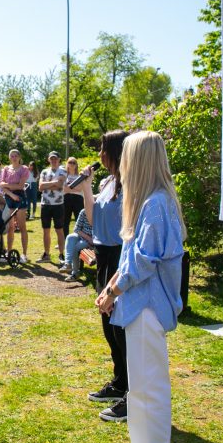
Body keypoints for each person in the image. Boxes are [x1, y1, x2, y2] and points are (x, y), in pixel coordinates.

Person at [86, 131, 185, 443]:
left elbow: (143, 261)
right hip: (138, 304)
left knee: (149, 386)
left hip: (148, 306)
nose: (120, 164)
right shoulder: (149, 201)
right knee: (139, 386)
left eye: (126, 156)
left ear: (138, 160)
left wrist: (111, 289)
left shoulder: (156, 203)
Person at [79, 129, 130, 422]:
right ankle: (119, 381)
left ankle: (131, 392)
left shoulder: (132, 186)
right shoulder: (108, 182)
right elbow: (94, 216)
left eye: (102, 147)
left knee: (120, 326)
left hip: (120, 256)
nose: (98, 153)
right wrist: (86, 187)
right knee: (107, 324)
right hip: (103, 254)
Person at [0, 149, 30, 263]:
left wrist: (7, 186)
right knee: (10, 227)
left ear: (19, 157)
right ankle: (9, 251)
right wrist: (11, 193)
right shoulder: (6, 169)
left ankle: (24, 254)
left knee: (22, 227)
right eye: (11, 156)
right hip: (9, 197)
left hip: (20, 198)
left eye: (16, 156)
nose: (14, 158)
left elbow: (20, 186)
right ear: (9, 158)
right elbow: (2, 186)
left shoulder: (24, 169)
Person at [37, 151, 67, 263]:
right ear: (49, 160)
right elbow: (40, 187)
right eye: (51, 158)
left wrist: (47, 185)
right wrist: (54, 184)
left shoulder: (63, 170)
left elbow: (60, 186)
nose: (53, 160)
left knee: (59, 230)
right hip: (45, 204)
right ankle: (46, 254)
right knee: (46, 230)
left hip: (58, 205)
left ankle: (61, 254)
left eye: (55, 158)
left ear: (59, 159)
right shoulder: (44, 171)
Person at [61, 208, 94, 282]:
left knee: (75, 248)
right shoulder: (84, 211)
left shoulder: (100, 213)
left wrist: (90, 240)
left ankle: (75, 273)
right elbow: (76, 229)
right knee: (70, 237)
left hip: (93, 240)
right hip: (84, 237)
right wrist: (88, 238)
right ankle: (67, 264)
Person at [63, 157, 86, 229]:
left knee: (79, 220)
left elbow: (81, 188)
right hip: (66, 199)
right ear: (67, 164)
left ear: (76, 165)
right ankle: (65, 239)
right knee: (65, 221)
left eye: (74, 162)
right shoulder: (64, 176)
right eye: (70, 162)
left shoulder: (80, 176)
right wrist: (75, 188)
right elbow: (64, 189)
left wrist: (70, 188)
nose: (72, 164)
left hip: (78, 199)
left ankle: (79, 238)